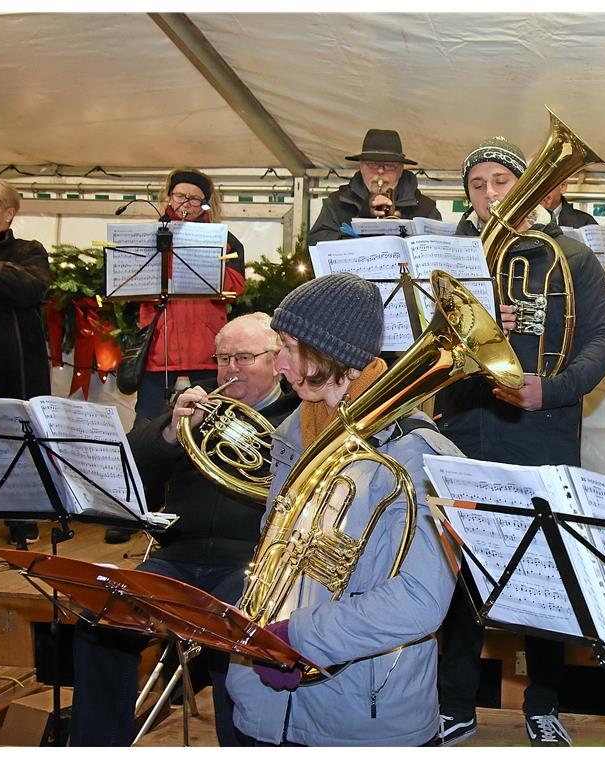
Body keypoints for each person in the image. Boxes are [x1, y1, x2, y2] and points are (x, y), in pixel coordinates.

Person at [434, 137, 605, 746]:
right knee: (463, 570)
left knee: (545, 573)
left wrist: (557, 388)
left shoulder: (570, 254)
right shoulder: (456, 257)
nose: (490, 195)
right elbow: (418, 345)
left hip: (541, 429)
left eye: (501, 182)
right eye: (478, 185)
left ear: (532, 187)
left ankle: (544, 704)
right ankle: (455, 703)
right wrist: (469, 331)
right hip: (465, 426)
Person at [225, 273, 459, 746]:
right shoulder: (295, 428)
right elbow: (279, 553)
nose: (279, 363)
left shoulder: (421, 453)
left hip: (363, 712)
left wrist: (299, 638)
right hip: (266, 700)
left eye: (289, 347)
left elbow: (420, 599)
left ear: (333, 354)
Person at [70, 313, 298, 747]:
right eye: (223, 358)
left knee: (238, 636)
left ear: (276, 362)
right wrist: (171, 432)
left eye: (245, 357)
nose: (231, 368)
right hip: (176, 557)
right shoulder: (196, 414)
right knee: (99, 622)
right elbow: (129, 478)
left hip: (250, 563)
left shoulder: (298, 417)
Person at [134, 168, 246, 422]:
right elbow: (133, 285)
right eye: (180, 195)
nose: (186, 202)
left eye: (194, 198)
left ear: (205, 203)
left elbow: (235, 289)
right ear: (169, 197)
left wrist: (207, 261)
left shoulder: (225, 240)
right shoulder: (148, 236)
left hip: (205, 347)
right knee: (147, 422)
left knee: (209, 420)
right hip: (159, 346)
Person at [0, 177, 52, 546]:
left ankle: (22, 516)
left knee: (17, 442)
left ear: (9, 213)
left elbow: (29, 288)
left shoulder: (27, 250)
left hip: (13, 367)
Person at [308, 128, 441, 245]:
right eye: (372, 164)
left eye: (389, 166)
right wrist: (362, 220)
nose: (380, 171)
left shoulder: (425, 208)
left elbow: (439, 252)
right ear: (361, 166)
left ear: (401, 169)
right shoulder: (337, 203)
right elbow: (315, 244)